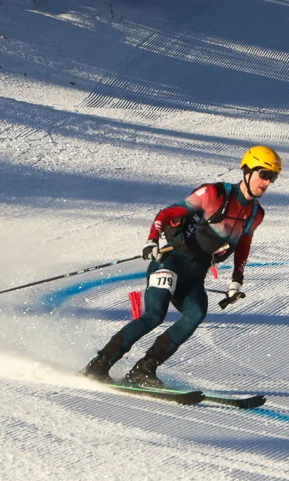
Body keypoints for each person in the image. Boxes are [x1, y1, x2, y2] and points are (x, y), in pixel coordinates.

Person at [83, 145, 277, 387]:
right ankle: (100, 364)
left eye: (273, 177)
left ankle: (144, 369)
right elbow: (167, 213)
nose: (267, 182)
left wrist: (237, 279)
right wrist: (152, 240)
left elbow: (244, 244)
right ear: (247, 171)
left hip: (195, 273)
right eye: (264, 174)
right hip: (171, 260)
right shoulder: (212, 194)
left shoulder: (255, 214)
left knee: (196, 313)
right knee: (155, 315)